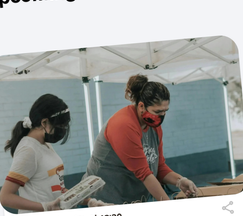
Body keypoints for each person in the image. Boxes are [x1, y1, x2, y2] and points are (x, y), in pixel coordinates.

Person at [84, 74, 196, 204]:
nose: (162, 116)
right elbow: (144, 174)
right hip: (102, 201)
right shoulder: (123, 125)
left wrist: (180, 180)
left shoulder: (154, 126)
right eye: (158, 111)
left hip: (131, 199)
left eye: (165, 111)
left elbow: (158, 167)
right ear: (141, 106)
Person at [0, 93, 103, 212]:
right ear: (44, 123)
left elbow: (57, 190)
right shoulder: (28, 149)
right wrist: (46, 207)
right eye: (60, 125)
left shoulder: (44, 144)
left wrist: (88, 201)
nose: (63, 130)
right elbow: (5, 197)